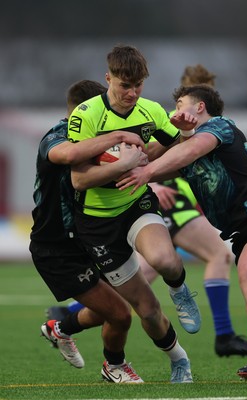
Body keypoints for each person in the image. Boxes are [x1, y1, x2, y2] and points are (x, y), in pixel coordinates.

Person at [49, 64, 247, 357]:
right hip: (157, 199)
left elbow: (163, 151)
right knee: (143, 283)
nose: (132, 93)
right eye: (184, 102)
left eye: (138, 86)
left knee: (163, 267)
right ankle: (69, 316)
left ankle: (220, 332)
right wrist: (151, 178)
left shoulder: (185, 123)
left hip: (160, 198)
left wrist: (149, 168)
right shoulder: (192, 123)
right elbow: (169, 156)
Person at [67, 44, 201, 383]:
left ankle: (180, 289)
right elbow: (79, 179)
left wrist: (185, 132)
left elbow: (178, 150)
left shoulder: (152, 110)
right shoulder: (86, 115)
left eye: (138, 85)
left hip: (136, 205)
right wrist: (124, 165)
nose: (132, 92)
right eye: (125, 85)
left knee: (166, 260)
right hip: (97, 224)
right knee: (147, 310)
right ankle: (179, 359)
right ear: (108, 78)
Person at [116, 84, 247, 380]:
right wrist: (123, 154)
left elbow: (190, 151)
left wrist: (147, 172)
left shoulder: (220, 127)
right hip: (240, 230)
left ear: (200, 107)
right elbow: (153, 161)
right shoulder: (185, 146)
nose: (175, 110)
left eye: (181, 103)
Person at [29, 79, 148, 383]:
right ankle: (114, 367)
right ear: (87, 110)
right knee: (120, 314)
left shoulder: (99, 139)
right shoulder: (57, 136)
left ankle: (61, 328)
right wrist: (118, 135)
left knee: (120, 306)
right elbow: (67, 156)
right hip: (57, 247)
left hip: (92, 237)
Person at [144, 64, 247, 357]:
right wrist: (151, 182)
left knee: (143, 275)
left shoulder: (211, 128)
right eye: (204, 85)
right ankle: (225, 335)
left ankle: (71, 317)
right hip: (172, 204)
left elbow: (180, 159)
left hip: (191, 206)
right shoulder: (175, 124)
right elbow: (159, 159)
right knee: (218, 256)